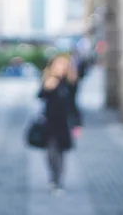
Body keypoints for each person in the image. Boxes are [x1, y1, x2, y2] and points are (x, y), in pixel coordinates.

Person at [38, 54, 79, 196]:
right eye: (58, 65)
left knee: (60, 153)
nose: (60, 68)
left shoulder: (70, 83)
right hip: (49, 122)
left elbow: (74, 104)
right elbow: (40, 96)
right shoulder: (48, 81)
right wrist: (48, 87)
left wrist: (78, 124)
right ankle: (53, 177)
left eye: (63, 66)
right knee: (50, 153)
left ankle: (58, 181)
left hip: (64, 123)